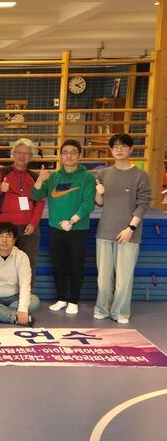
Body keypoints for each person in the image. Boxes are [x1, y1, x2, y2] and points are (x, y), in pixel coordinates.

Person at [31, 139, 96, 315]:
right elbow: (35, 195)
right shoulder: (54, 177)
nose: (69, 156)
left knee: (76, 266)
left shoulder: (87, 177)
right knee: (58, 265)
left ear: (79, 155)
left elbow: (88, 204)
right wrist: (39, 180)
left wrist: (71, 221)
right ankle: (61, 298)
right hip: (56, 229)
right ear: (60, 156)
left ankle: (73, 300)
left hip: (77, 230)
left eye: (73, 152)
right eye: (65, 152)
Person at [94, 133, 152, 323]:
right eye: (115, 146)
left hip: (128, 233)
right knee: (103, 277)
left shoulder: (141, 175)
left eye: (123, 146)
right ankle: (102, 309)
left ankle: (120, 312)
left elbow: (143, 205)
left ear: (131, 149)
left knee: (124, 278)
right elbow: (100, 203)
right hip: (105, 231)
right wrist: (98, 193)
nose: (119, 149)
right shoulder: (103, 174)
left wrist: (130, 229)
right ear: (111, 150)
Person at [0, 138, 44, 278]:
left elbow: (40, 202)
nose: (21, 156)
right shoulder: (2, 172)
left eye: (26, 153)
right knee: (3, 264)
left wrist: (33, 224)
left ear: (31, 156)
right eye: (18, 152)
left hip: (28, 229)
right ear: (13, 154)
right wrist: (0, 188)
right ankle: (3, 291)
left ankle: (26, 291)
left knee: (28, 265)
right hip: (5, 227)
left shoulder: (35, 177)